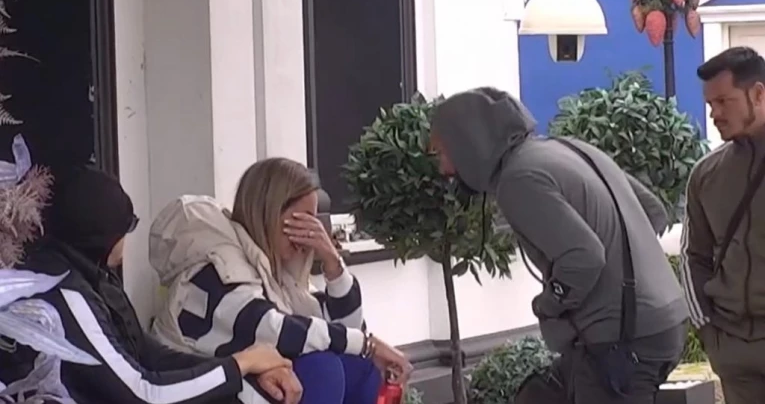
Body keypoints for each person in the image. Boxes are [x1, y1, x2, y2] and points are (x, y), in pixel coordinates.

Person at [429, 87, 688, 403]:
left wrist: (548, 304)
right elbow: (654, 212)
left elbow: (585, 257)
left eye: (442, 154)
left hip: (622, 338)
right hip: (663, 320)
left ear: (468, 144)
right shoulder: (568, 148)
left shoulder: (518, 179)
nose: (443, 170)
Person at [0, 165, 302, 404]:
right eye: (126, 226)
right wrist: (241, 364)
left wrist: (244, 371)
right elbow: (143, 393)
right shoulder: (63, 293)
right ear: (101, 232)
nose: (127, 238)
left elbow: (146, 353)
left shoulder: (91, 277)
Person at [149, 157, 412, 404]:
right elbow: (274, 330)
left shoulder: (274, 271)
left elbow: (346, 333)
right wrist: (367, 344)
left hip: (240, 390)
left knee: (361, 366)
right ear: (270, 212)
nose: (312, 230)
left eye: (315, 220)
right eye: (303, 218)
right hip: (197, 394)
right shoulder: (216, 268)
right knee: (321, 370)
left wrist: (333, 263)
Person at [680, 46, 765, 404]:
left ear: (758, 94)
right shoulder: (706, 175)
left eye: (723, 102)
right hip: (733, 351)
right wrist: (708, 331)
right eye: (710, 104)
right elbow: (692, 257)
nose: (714, 114)